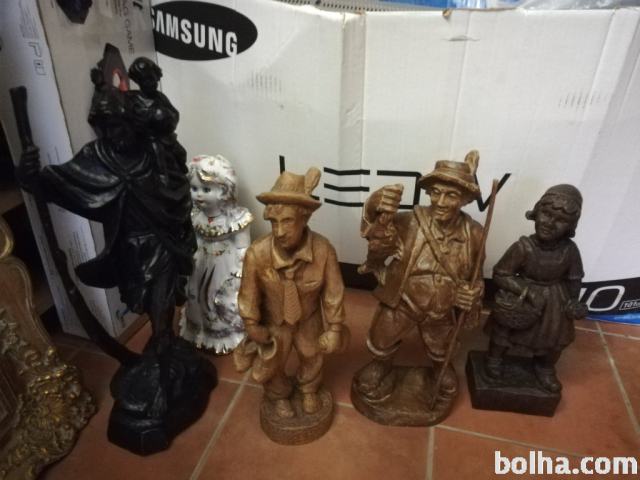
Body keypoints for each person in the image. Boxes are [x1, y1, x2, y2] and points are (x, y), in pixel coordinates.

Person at [354, 152, 485, 407]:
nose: (441, 202)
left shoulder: (475, 233)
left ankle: (439, 368)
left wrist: (473, 293)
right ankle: (381, 365)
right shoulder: (410, 221)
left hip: (443, 307)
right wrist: (373, 205)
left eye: (451, 195)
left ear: (466, 199)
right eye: (435, 193)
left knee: (442, 348)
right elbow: (374, 233)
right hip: (404, 300)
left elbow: (477, 278)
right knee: (382, 339)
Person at [237, 168, 347, 418]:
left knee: (312, 354)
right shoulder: (257, 254)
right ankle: (279, 395)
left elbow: (334, 292)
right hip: (275, 321)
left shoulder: (323, 251)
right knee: (273, 361)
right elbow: (248, 294)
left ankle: (309, 389)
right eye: (274, 222)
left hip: (308, 317)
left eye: (287, 221)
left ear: (304, 218)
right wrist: (251, 324)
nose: (279, 231)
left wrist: (335, 328)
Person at [485, 184, 587, 392]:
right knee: (504, 330)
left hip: (554, 301)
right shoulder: (523, 247)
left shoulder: (570, 251)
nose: (549, 223)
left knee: (555, 337)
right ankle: (494, 359)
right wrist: (527, 291)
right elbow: (501, 273)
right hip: (522, 297)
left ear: (570, 226)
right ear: (536, 212)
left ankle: (545, 367)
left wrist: (573, 301)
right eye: (546, 214)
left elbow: (574, 278)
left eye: (560, 220)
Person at [179, 154, 253, 354]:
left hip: (224, 266)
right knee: (195, 293)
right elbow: (194, 238)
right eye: (194, 189)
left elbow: (243, 247)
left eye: (206, 189)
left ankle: (221, 335)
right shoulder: (195, 216)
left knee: (217, 297)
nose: (198, 195)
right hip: (200, 262)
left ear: (224, 190)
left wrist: (240, 270)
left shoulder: (236, 219)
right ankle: (198, 330)